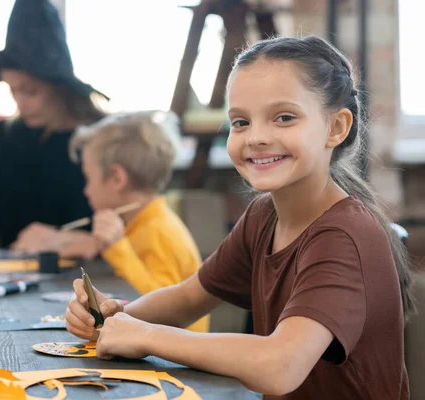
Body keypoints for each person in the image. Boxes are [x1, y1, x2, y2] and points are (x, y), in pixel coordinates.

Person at [65, 36, 414, 399]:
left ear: (336, 128)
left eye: (284, 117)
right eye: (241, 122)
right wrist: (115, 318)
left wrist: (147, 336)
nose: (256, 137)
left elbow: (280, 366)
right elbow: (187, 299)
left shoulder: (342, 237)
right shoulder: (265, 215)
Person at [22, 111, 209, 332]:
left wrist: (117, 246)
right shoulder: (142, 221)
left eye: (88, 178)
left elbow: (159, 309)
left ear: (117, 178)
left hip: (174, 360)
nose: (86, 190)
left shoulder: (158, 230)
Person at [0, 0, 107, 253]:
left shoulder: (101, 137)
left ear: (59, 87)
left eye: (30, 91)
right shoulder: (2, 138)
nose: (20, 102)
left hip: (86, 279)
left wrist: (61, 240)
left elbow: (126, 233)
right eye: (13, 90)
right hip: (11, 277)